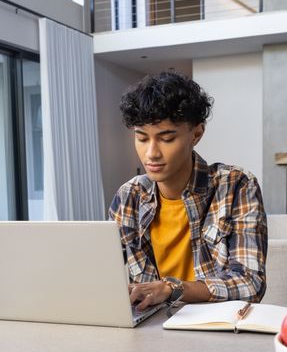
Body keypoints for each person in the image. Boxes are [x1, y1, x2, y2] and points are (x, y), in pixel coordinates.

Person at [108, 71, 267, 310]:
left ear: (196, 134)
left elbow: (250, 283)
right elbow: (103, 277)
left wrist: (171, 289)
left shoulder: (236, 185)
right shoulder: (128, 196)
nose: (151, 153)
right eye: (142, 138)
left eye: (166, 138)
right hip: (150, 327)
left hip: (214, 328)